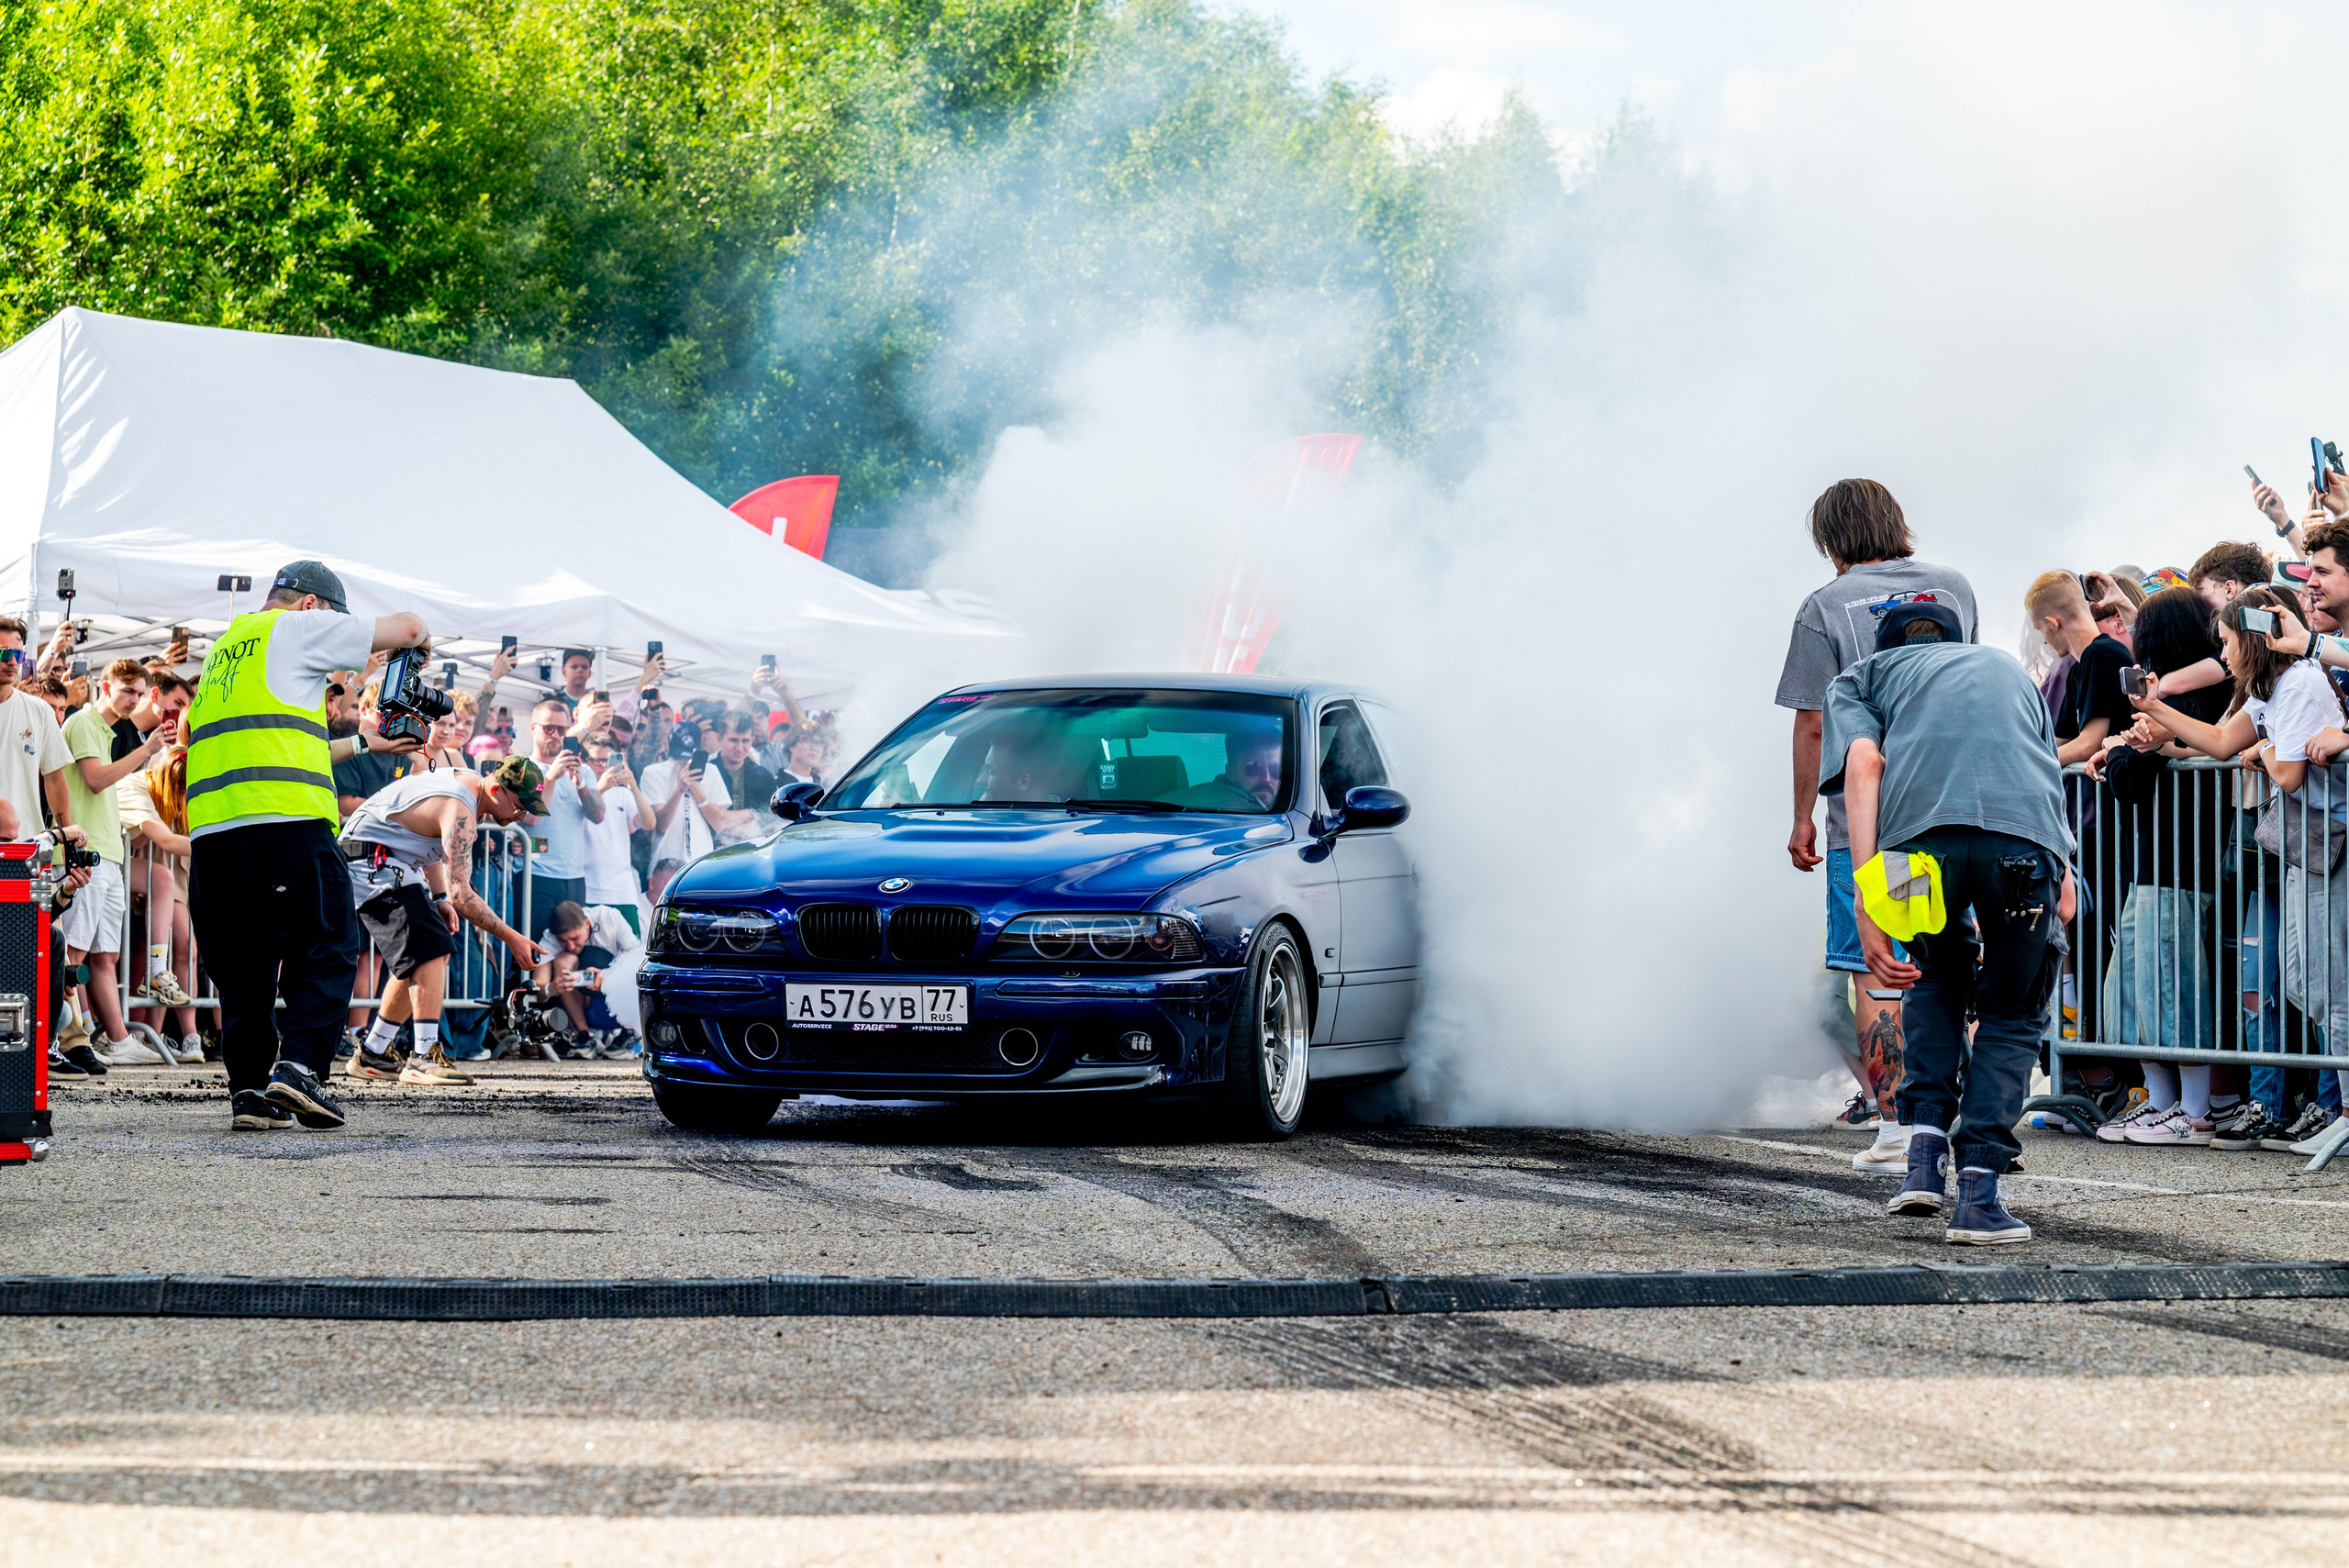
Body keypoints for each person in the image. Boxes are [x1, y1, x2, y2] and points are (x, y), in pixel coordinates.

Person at [1824, 601, 2076, 1245]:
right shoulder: (2006, 668)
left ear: (1882, 647)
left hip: (1916, 849)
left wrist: (1867, 894)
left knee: (1933, 974)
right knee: (2014, 1009)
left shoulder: (1863, 676)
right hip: (2021, 845)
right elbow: (2043, 766)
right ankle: (1982, 1195)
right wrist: (2065, 867)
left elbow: (1865, 766)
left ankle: (1923, 1163)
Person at [1776, 478, 1979, 1168]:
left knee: (1880, 972)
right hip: (1952, 807)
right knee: (1944, 962)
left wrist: (1802, 815)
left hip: (1869, 816)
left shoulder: (1825, 605)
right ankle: (1958, 1119)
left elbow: (1812, 723)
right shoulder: (1954, 588)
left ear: (1831, 539)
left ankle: (1897, 1129)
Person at [185, 560, 428, 1134]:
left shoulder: (227, 649)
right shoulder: (295, 628)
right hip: (286, 825)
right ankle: (299, 1068)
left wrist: (364, 742)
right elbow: (410, 628)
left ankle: (249, 1090)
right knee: (330, 944)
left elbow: (280, 737)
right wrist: (411, 650)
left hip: (216, 837)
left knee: (243, 972)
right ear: (313, 605)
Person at [2128, 577, 2349, 1166]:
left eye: (2227, 641)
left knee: (2328, 982)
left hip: (2333, 842)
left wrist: (2269, 746)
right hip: (2305, 847)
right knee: (2302, 981)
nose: (2222, 654)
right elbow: (2224, 741)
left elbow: (2289, 776)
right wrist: (2155, 709)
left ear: (2251, 640)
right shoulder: (2268, 689)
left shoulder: (2298, 682)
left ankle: (2346, 1114)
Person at [2081, 589, 2237, 1145]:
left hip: (2180, 866)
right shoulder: (2191, 693)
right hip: (2161, 865)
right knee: (2136, 986)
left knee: (2171, 985)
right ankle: (2165, 1101)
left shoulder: (2184, 699)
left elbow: (2129, 779)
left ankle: (2190, 1111)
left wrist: (2125, 748)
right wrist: (2126, 744)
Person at [340, 757, 548, 1085]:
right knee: (432, 948)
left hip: (390, 857)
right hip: (370, 856)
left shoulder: (470, 790)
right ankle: (423, 1057)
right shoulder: (461, 805)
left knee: (426, 950)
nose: (523, 816)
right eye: (521, 806)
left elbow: (428, 843)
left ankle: (374, 1053)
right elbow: (463, 894)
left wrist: (438, 898)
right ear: (496, 789)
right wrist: (512, 937)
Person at [60, 657, 184, 1064]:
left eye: (137, 692)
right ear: (105, 685)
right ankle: (68, 1040)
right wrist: (147, 750)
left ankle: (114, 1039)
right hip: (87, 854)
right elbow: (95, 781)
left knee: (103, 956)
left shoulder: (109, 729)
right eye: (127, 690)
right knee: (73, 955)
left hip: (108, 854)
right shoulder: (83, 723)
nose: (133, 699)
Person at [119, 748, 199, 1062]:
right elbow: (165, 840)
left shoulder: (154, 791)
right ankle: (88, 1033)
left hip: (125, 865)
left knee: (162, 881)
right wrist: (220, 846)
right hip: (100, 862)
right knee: (97, 956)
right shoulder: (135, 787)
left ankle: (145, 1032)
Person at [520, 697, 605, 940]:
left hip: (574, 876)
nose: (555, 734)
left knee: (571, 952)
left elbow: (598, 816)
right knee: (535, 948)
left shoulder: (584, 770)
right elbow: (533, 819)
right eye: (548, 728)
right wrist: (551, 777)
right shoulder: (524, 768)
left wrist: (581, 787)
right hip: (536, 875)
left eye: (561, 729)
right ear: (533, 727)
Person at [533, 899, 642, 1056]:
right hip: (584, 1005)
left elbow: (637, 961)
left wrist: (609, 976)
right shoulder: (550, 937)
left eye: (575, 938)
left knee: (632, 969)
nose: (570, 946)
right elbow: (539, 987)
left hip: (618, 998)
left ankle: (631, 1033)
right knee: (564, 960)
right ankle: (584, 1036)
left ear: (586, 924)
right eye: (564, 941)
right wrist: (552, 988)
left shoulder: (610, 917)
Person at [580, 737, 652, 933]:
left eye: (609, 760)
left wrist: (633, 786)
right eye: (598, 760)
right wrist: (600, 787)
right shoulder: (578, 791)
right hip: (588, 889)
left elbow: (649, 823)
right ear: (585, 761)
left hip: (622, 890)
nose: (604, 766)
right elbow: (576, 815)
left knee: (629, 955)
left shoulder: (623, 794)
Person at [710, 711, 777, 831]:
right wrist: (750, 814)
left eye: (745, 741)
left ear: (752, 739)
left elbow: (771, 819)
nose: (739, 748)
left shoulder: (763, 776)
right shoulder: (706, 773)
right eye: (733, 740)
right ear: (719, 739)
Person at [110, 668, 191, 760]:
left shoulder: (152, 737)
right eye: (178, 703)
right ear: (155, 695)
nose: (181, 712)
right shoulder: (115, 727)